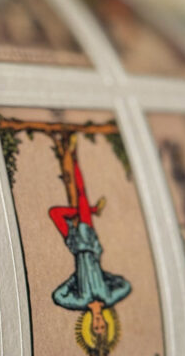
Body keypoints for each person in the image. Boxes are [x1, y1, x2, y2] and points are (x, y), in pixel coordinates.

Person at [48, 136, 131, 329]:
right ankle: (74, 154)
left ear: (91, 325)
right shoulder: (108, 297)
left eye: (96, 327)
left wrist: (76, 278)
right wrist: (102, 274)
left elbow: (58, 296)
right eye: (103, 326)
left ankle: (92, 209)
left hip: (76, 246)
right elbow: (125, 285)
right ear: (106, 322)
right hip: (91, 245)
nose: (99, 323)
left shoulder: (81, 301)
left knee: (55, 213)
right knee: (81, 194)